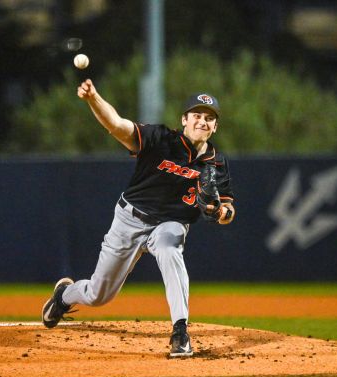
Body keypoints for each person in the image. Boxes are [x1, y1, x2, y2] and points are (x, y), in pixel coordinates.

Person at [41, 79, 235, 357]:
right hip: (130, 219)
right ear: (184, 119)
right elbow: (117, 125)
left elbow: (228, 210)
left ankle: (180, 332)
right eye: (197, 115)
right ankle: (63, 296)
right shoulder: (160, 140)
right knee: (99, 295)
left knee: (170, 250)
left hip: (170, 223)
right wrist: (94, 98)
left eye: (209, 118)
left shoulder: (217, 163)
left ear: (215, 126)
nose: (202, 121)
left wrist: (219, 213)